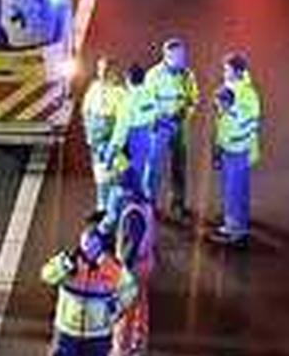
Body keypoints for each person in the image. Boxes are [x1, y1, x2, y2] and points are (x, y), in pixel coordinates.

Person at [40, 225, 136, 356]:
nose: (87, 254)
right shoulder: (69, 262)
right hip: (67, 330)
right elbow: (46, 275)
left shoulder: (110, 267)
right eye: (84, 249)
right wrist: (64, 266)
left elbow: (129, 288)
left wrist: (114, 311)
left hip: (98, 333)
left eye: (93, 249)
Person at [145, 38, 200, 220]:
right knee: (153, 167)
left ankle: (178, 202)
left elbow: (194, 98)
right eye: (179, 56)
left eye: (184, 55)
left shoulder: (187, 75)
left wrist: (186, 113)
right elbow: (146, 102)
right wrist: (158, 117)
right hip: (159, 127)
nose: (183, 59)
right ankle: (149, 203)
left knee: (179, 165)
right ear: (167, 56)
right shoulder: (153, 75)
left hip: (179, 126)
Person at [108, 171, 157, 356]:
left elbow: (131, 245)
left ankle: (121, 353)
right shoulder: (145, 205)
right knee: (140, 306)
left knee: (125, 311)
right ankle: (140, 344)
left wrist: (122, 271)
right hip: (146, 262)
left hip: (134, 267)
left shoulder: (132, 212)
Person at [211, 75, 262, 246]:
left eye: (218, 103)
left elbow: (225, 139)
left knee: (232, 193)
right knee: (240, 191)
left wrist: (219, 154)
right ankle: (242, 225)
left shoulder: (229, 118)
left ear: (226, 102)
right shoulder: (240, 111)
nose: (216, 106)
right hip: (239, 155)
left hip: (233, 156)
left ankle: (233, 231)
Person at [80, 57, 128, 216]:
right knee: (100, 175)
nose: (102, 73)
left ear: (113, 72)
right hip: (95, 138)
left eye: (106, 70)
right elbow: (86, 110)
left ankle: (113, 211)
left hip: (110, 139)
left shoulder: (120, 92)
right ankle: (102, 207)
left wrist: (114, 143)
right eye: (100, 69)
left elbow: (122, 121)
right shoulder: (94, 87)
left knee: (113, 174)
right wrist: (89, 134)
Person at [117, 62, 160, 215]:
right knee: (140, 175)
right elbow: (156, 116)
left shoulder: (128, 100)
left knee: (127, 184)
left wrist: (112, 150)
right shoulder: (150, 95)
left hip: (131, 142)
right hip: (147, 138)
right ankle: (144, 209)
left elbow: (120, 129)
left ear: (128, 79)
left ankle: (129, 224)